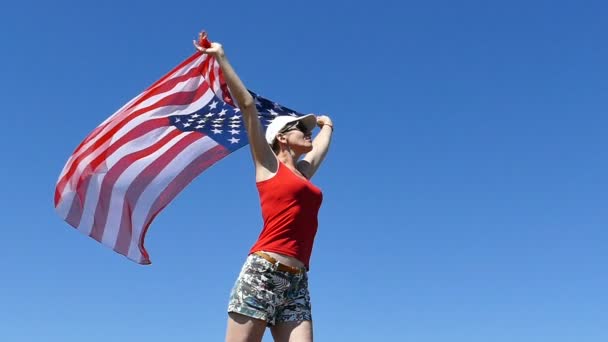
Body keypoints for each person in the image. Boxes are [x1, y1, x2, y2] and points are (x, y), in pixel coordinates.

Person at [194, 36, 333, 342]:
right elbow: (246, 106)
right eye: (302, 128)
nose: (308, 134)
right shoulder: (267, 166)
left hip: (297, 282)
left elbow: (320, 149)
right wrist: (220, 56)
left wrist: (328, 126)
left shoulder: (303, 172)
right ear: (282, 137)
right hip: (264, 272)